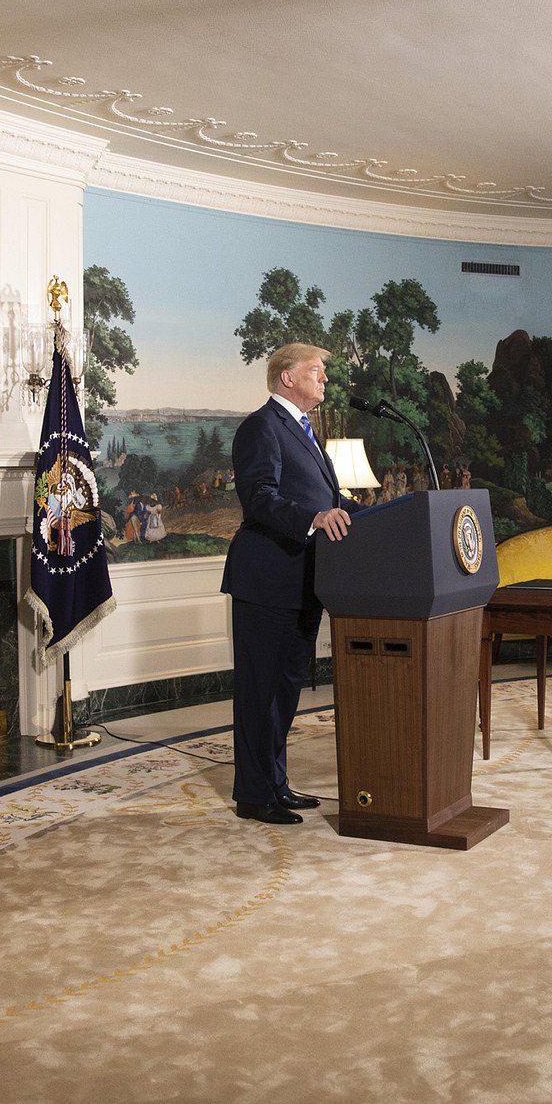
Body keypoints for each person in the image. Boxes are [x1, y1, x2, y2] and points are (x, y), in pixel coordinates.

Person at [219, 342, 359, 826]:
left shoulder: (303, 430)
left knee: (284, 693)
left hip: (303, 582)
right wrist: (314, 517)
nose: (324, 380)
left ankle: (275, 784)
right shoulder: (261, 427)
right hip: (266, 579)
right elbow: (259, 498)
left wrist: (379, 516)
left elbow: (329, 496)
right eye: (316, 372)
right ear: (287, 378)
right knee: (260, 692)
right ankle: (254, 796)